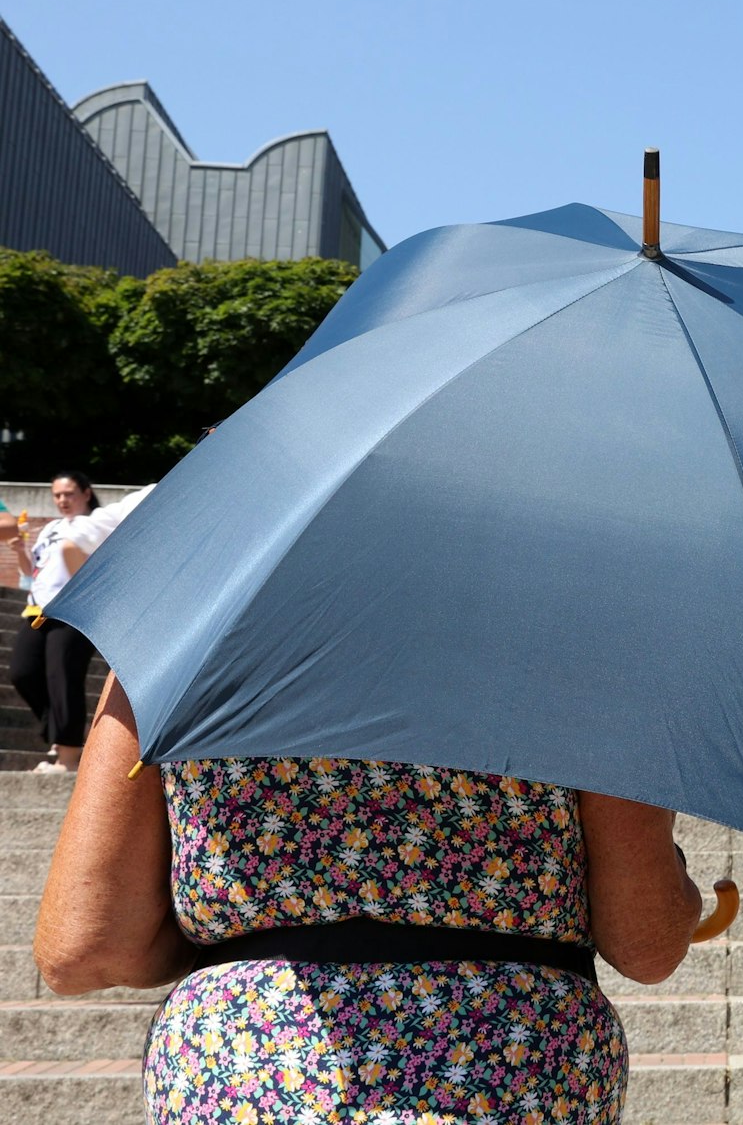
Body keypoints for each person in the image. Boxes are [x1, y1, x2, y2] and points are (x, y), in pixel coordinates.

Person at [35, 673, 705, 1122]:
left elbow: (85, 944)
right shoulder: (583, 643)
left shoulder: (183, 631)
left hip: (249, 1066)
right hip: (514, 1068)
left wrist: (255, 932)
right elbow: (646, 943)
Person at [4, 471, 105, 772]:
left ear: (86, 493)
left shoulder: (99, 524)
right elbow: (30, 571)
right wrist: (20, 551)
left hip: (75, 609)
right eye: (57, 495)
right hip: (38, 609)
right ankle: (68, 734)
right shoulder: (50, 528)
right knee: (22, 673)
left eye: (69, 493)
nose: (62, 500)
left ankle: (68, 758)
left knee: (62, 677)